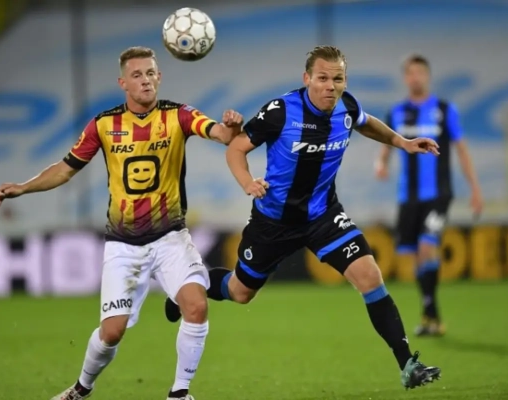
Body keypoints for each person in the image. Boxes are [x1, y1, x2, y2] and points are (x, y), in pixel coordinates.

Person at [165, 45, 442, 390]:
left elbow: (366, 123)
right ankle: (188, 290)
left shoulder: (347, 105)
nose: (330, 86)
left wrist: (402, 142)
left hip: (324, 216)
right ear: (307, 78)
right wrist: (248, 182)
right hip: (273, 221)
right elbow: (236, 148)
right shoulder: (281, 111)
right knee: (239, 292)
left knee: (370, 276)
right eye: (322, 78)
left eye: (337, 79)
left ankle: (408, 365)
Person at [0, 46, 243, 400]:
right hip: (124, 246)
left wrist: (232, 126)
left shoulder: (178, 115)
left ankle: (179, 393)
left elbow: (221, 134)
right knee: (112, 332)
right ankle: (81, 389)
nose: (145, 80)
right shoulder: (104, 125)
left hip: (171, 237)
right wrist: (23, 187)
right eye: (137, 75)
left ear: (160, 77)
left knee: (197, 305)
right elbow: (66, 169)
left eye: (151, 73)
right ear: (123, 83)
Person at [375, 54, 483, 337]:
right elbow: (387, 143)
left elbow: (461, 150)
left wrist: (475, 188)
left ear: (428, 76)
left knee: (426, 246)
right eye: (411, 73)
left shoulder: (445, 110)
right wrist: (381, 163)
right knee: (415, 256)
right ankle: (429, 315)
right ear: (405, 78)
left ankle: (432, 314)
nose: (416, 78)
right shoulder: (396, 112)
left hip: (439, 194)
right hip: (408, 197)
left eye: (420, 72)